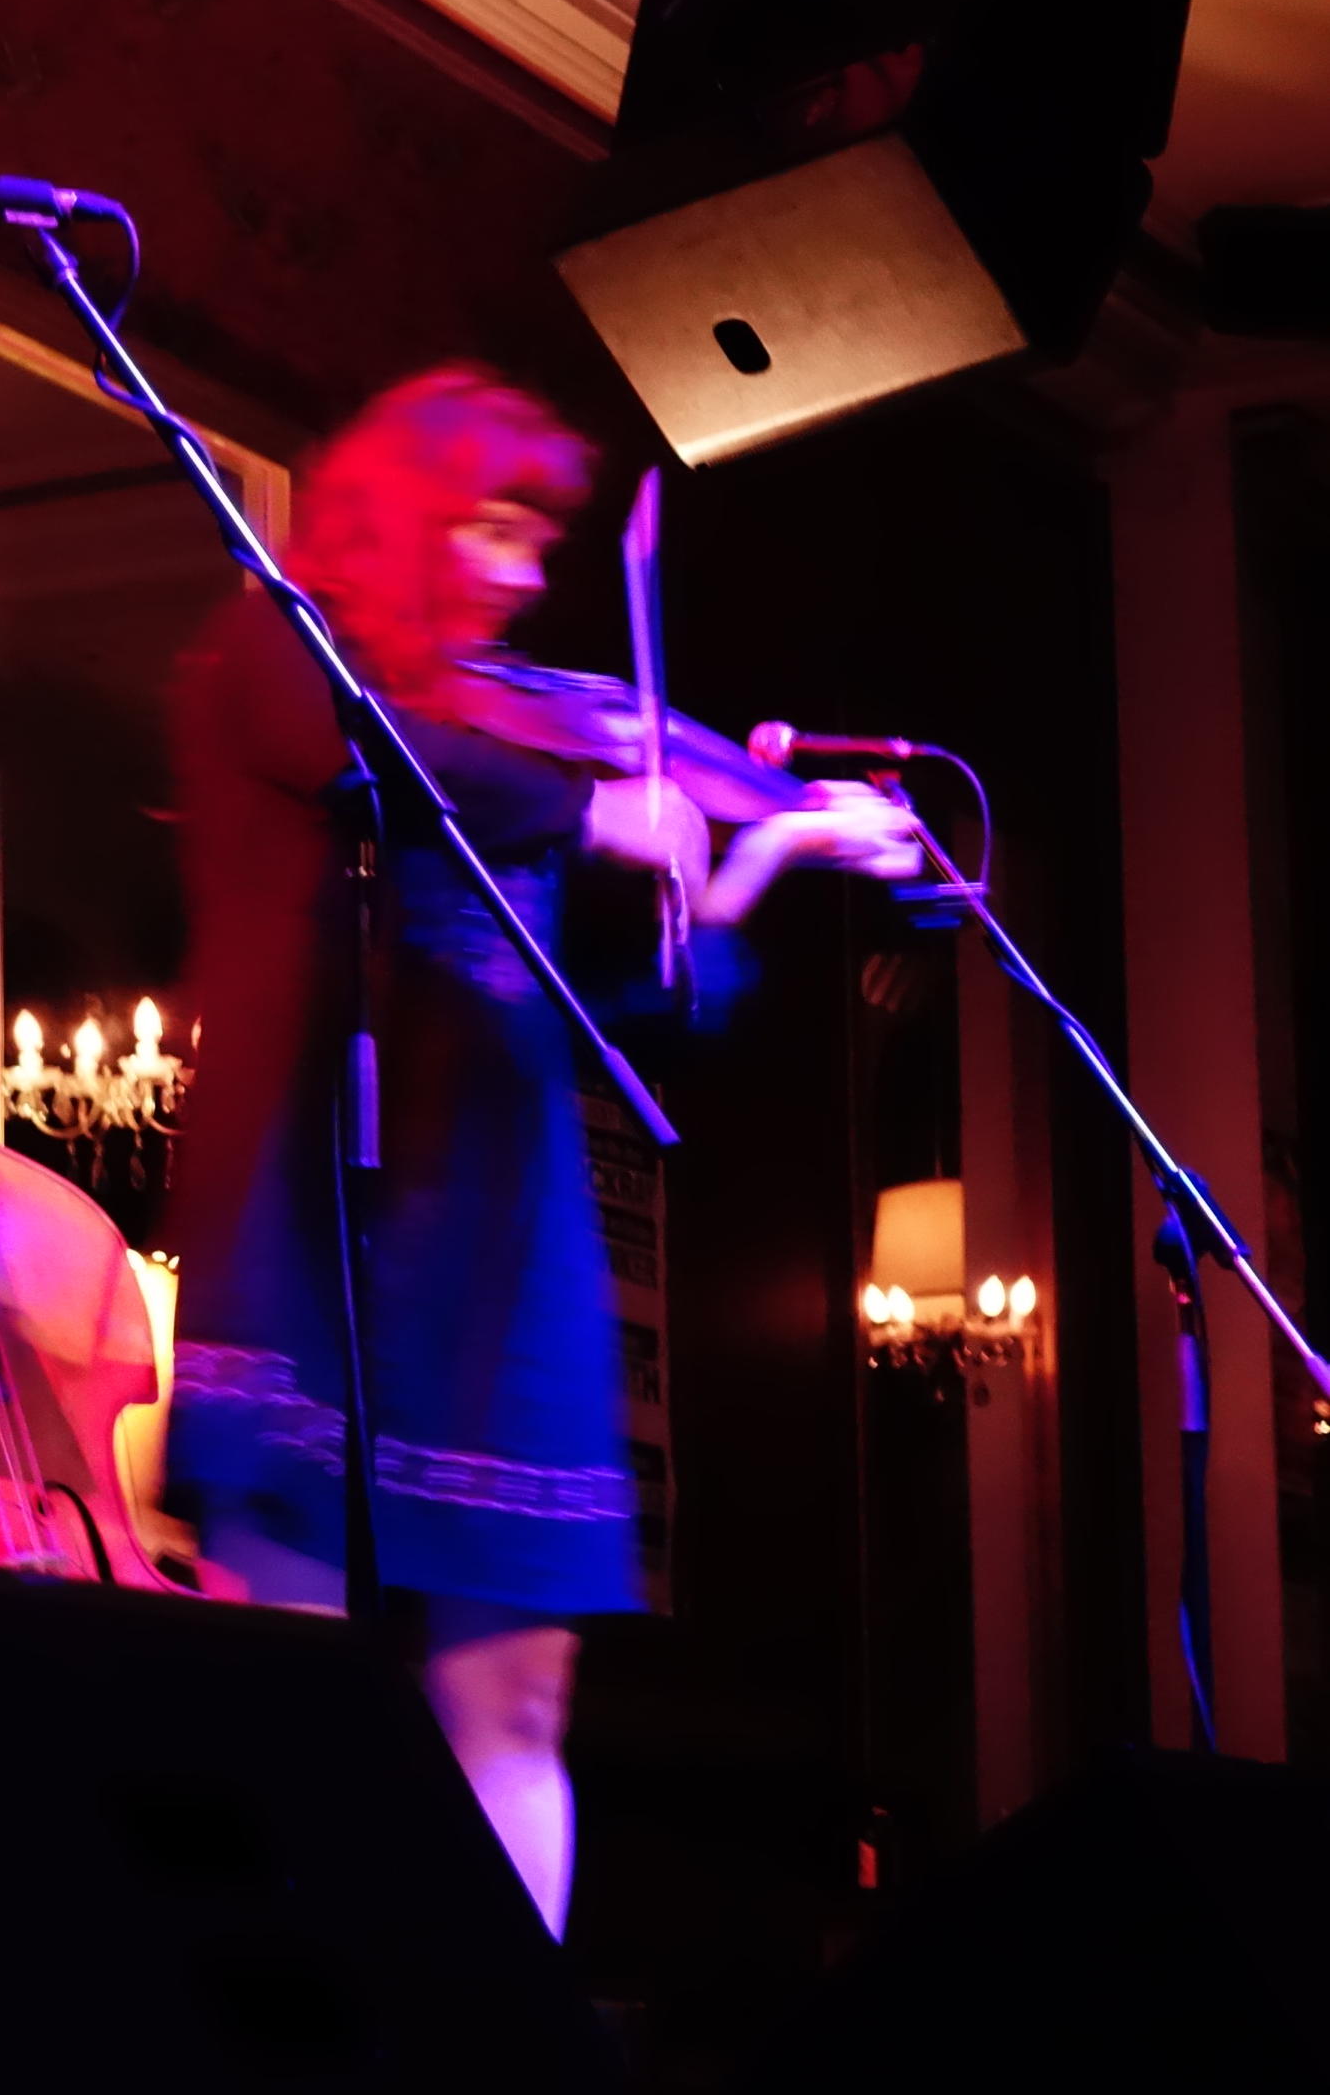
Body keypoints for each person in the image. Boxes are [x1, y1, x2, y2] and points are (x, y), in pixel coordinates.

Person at [157, 367, 917, 1937]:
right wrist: (591, 810)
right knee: (277, 1672)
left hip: (503, 1231)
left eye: (532, 542)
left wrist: (765, 841)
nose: (518, 577)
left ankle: (498, 2032)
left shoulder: (519, 741)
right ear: (399, 519)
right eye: (486, 529)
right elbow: (384, 764)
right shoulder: (278, 650)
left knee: (516, 1696)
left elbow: (643, 999)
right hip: (313, 1206)